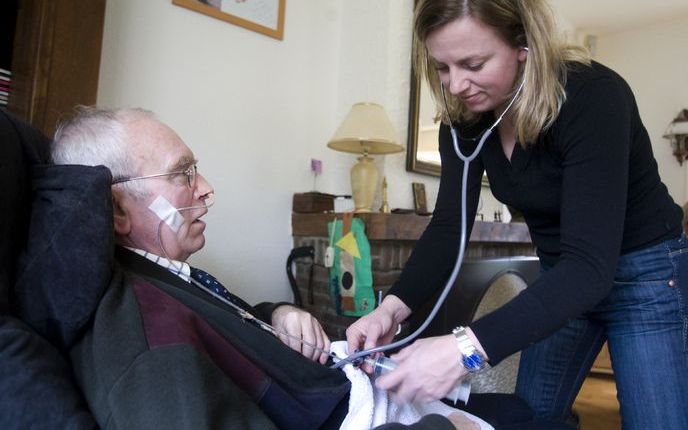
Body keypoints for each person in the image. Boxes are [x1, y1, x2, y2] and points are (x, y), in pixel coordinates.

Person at [346, 1, 688, 429]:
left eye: (472, 63)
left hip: (645, 274)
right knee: (529, 416)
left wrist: (463, 350)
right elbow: (451, 227)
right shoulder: (466, 116)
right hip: (565, 274)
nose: (455, 85)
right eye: (442, 68)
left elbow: (590, 267)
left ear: (523, 43)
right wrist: (391, 309)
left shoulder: (594, 96)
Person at [50, 106, 488, 429]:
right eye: (183, 173)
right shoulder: (145, 337)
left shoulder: (167, 277)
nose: (206, 189)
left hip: (355, 391)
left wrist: (277, 314)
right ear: (116, 211)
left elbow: (221, 329)